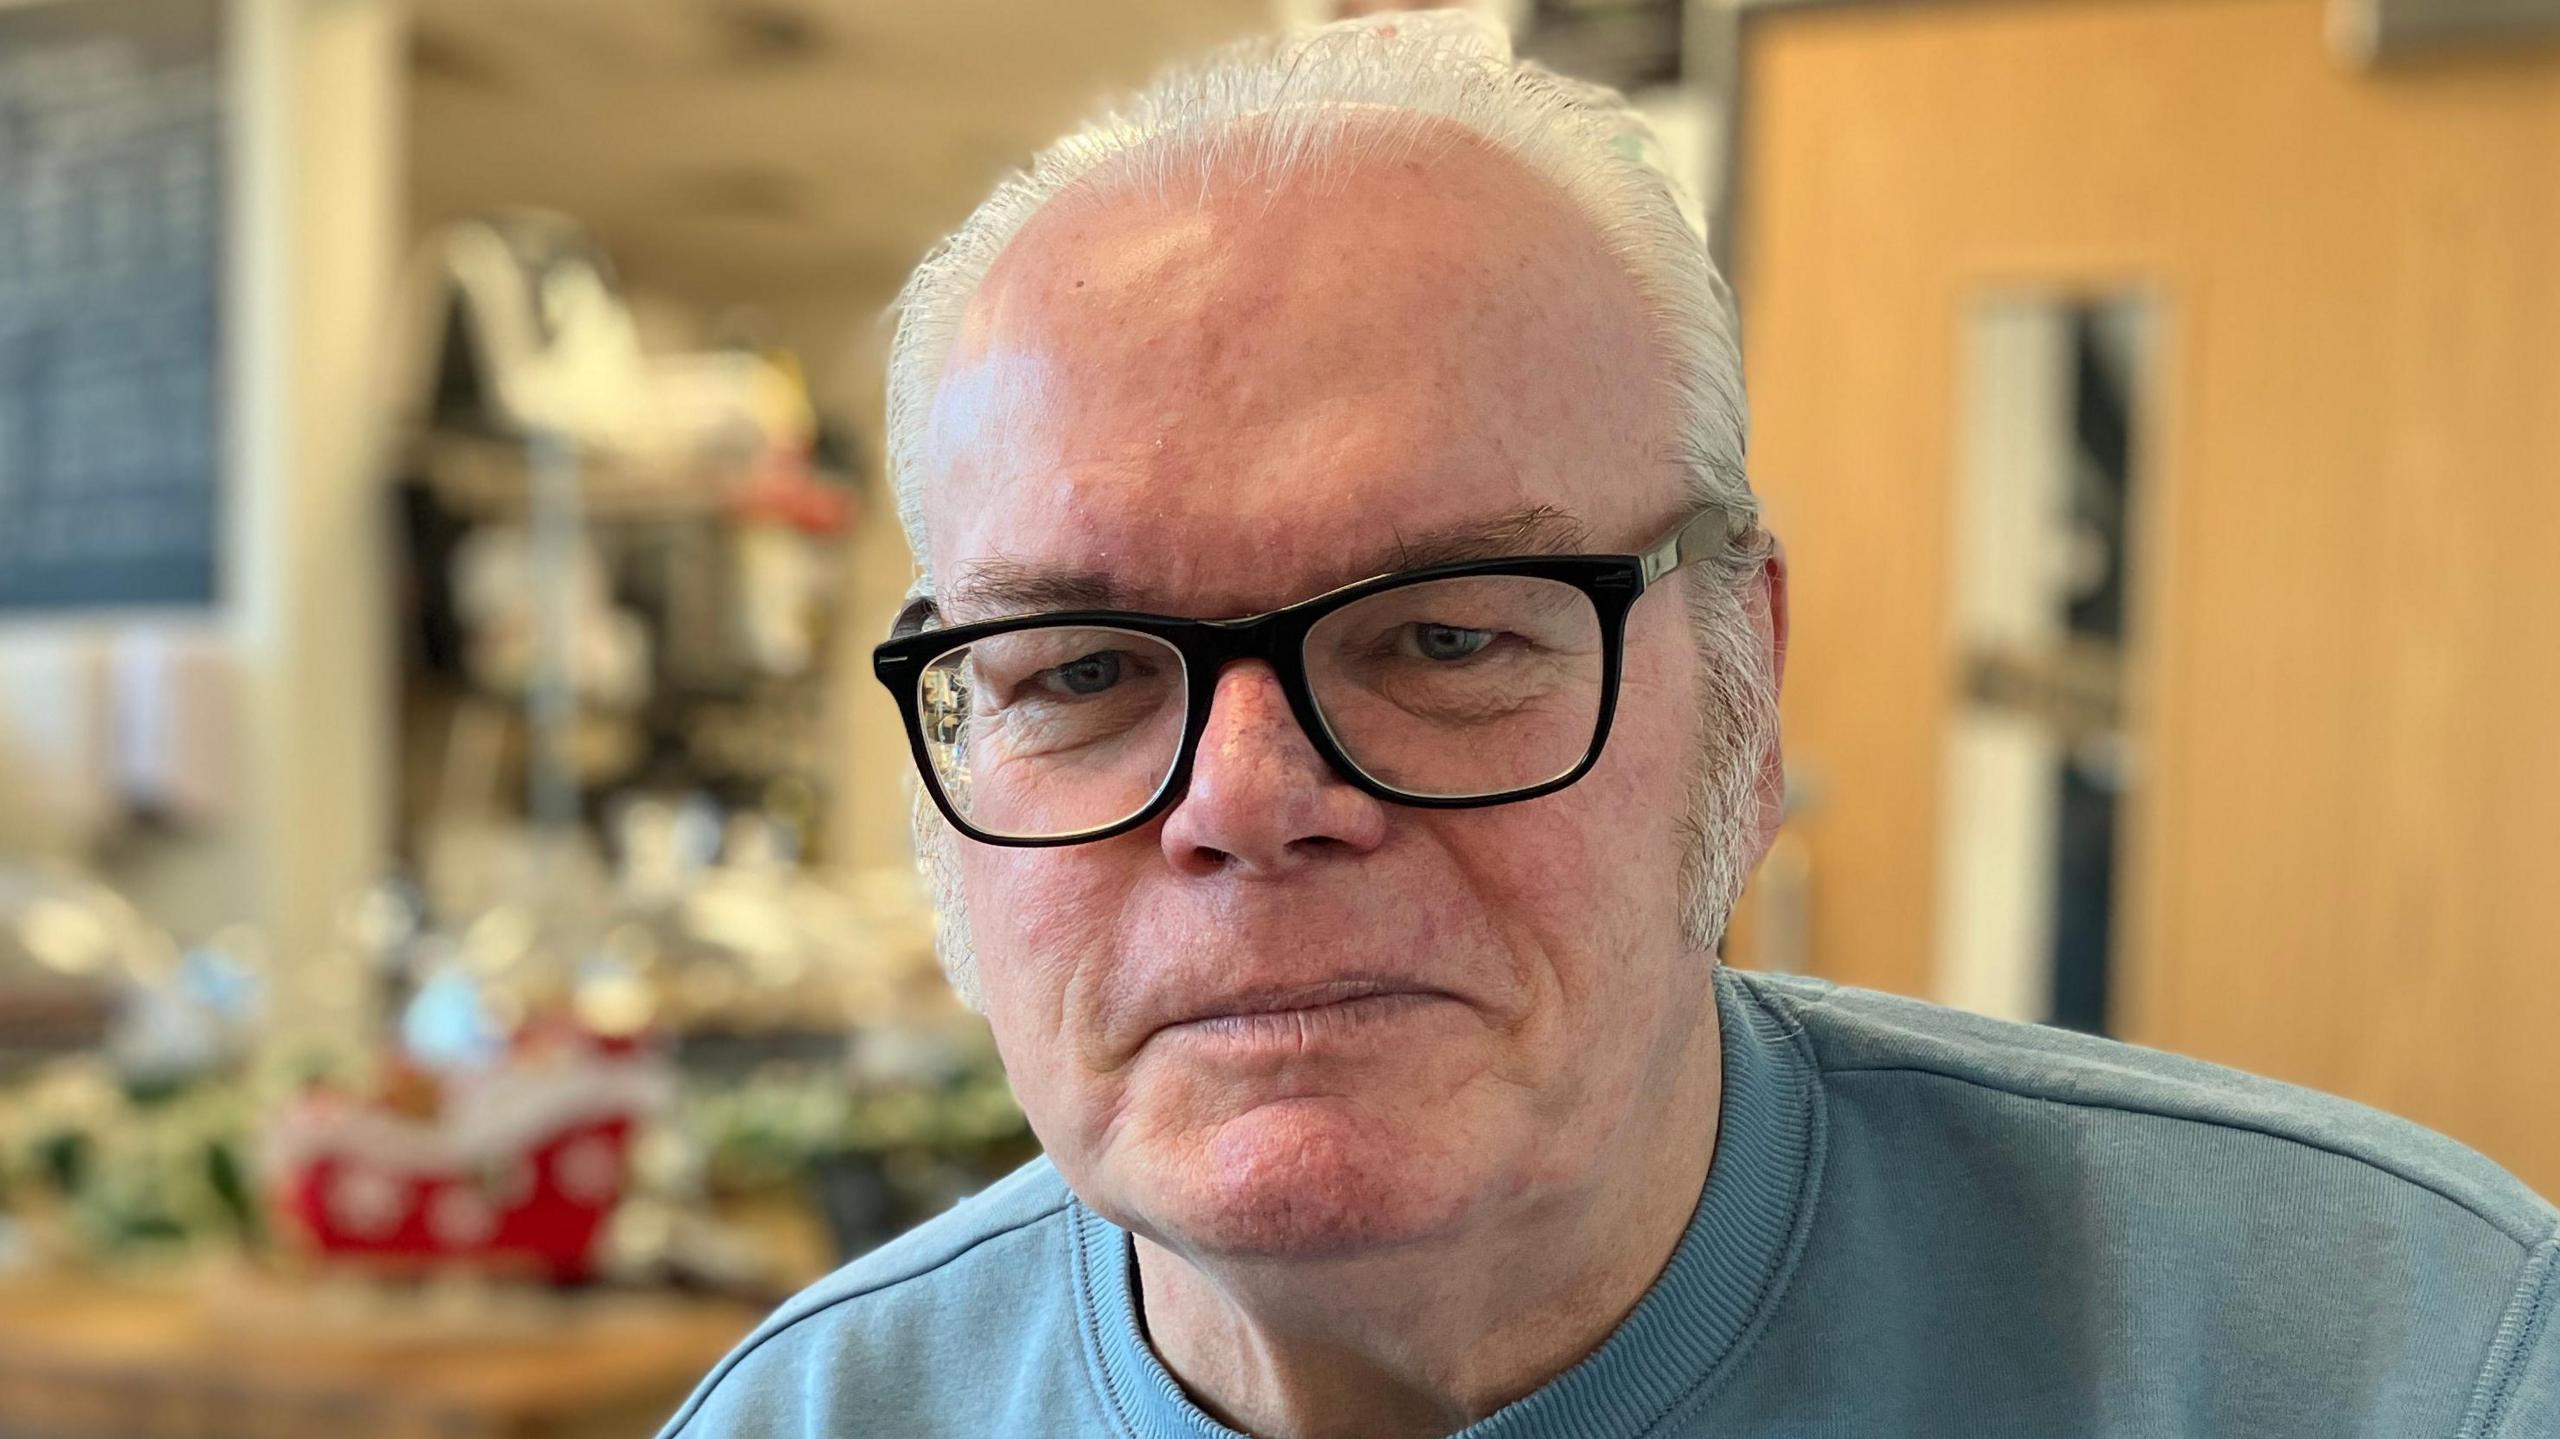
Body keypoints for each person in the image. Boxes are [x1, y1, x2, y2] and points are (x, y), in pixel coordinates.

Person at [660, 13, 2558, 1438]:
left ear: (1744, 694)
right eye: (1080, 672)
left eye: (1452, 635)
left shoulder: (2406, 1358)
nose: (1246, 800)